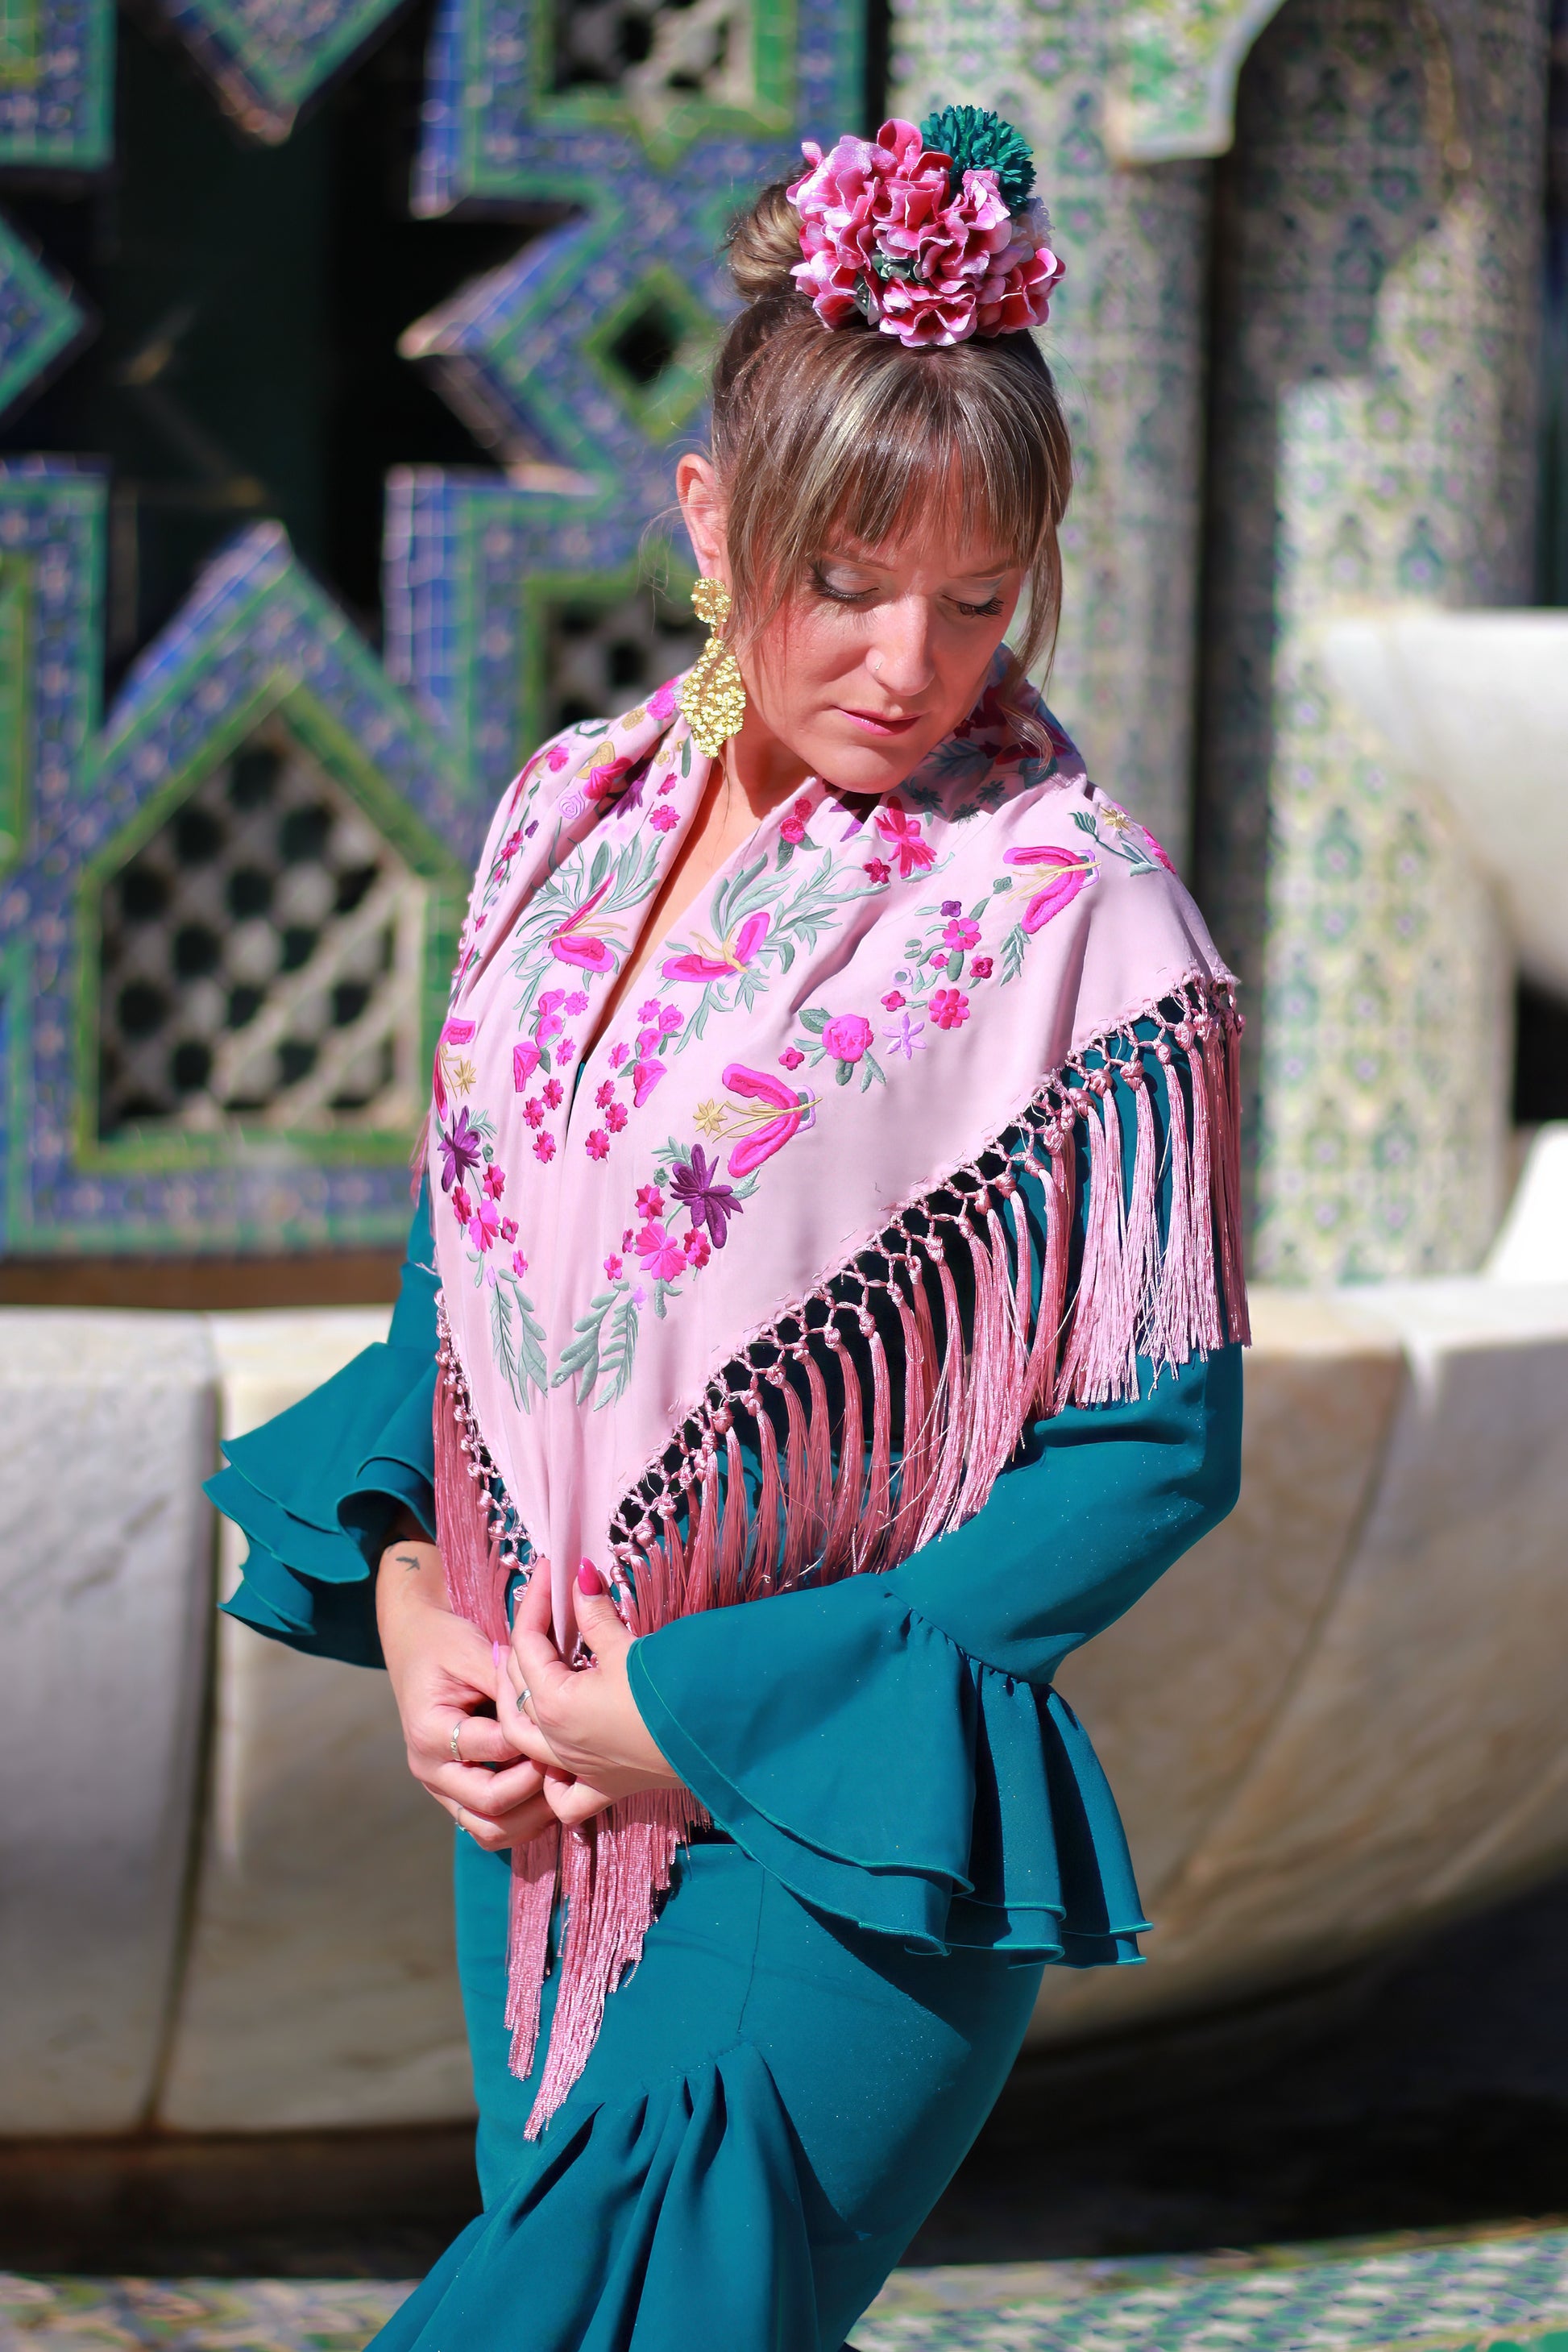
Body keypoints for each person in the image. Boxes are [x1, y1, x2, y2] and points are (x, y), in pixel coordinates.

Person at [210, 107, 1247, 2352]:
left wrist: (687, 1714)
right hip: (540, 1839)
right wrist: (409, 1608)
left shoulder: (1076, 916)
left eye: (978, 599)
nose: (910, 663)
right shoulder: (557, 828)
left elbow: (1155, 1447)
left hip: (838, 1830)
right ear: (710, 525)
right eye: (845, 584)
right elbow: (463, 1299)